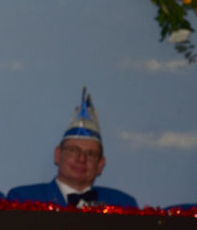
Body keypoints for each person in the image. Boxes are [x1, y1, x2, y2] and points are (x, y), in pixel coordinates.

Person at [7, 88, 137, 208]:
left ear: (100, 165)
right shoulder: (24, 199)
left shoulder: (122, 204)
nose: (81, 159)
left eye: (90, 154)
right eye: (73, 150)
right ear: (58, 154)